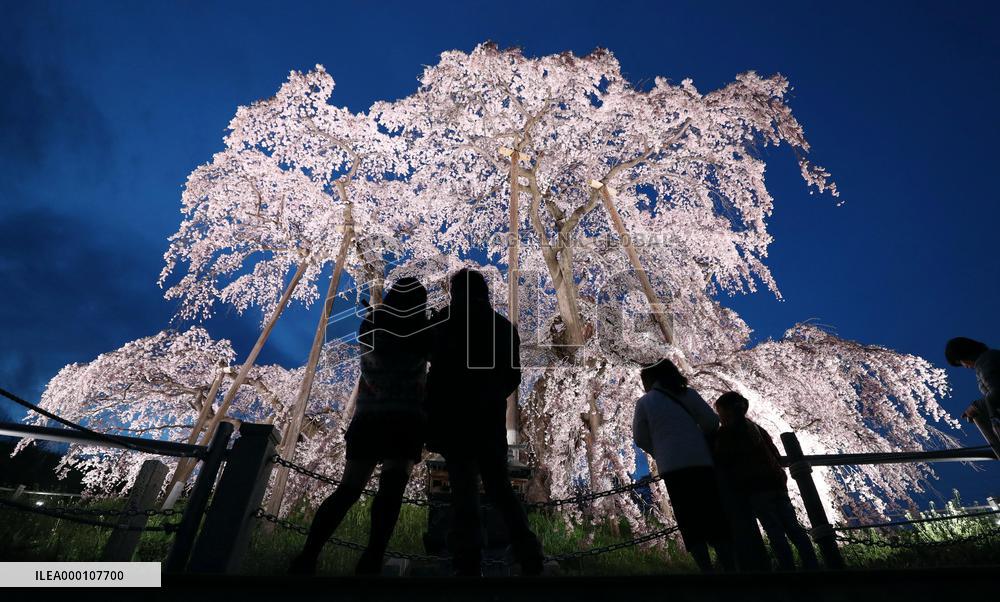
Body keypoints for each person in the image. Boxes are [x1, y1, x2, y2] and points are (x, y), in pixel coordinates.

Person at [290, 277, 431, 576]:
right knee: (391, 492)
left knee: (348, 489)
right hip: (405, 420)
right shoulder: (422, 331)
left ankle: (308, 555)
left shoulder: (373, 323)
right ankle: (372, 558)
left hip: (368, 417)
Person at [425, 268, 544, 577]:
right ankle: (527, 550)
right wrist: (491, 396)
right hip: (488, 419)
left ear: (456, 292)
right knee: (500, 487)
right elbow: (513, 375)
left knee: (463, 489)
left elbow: (429, 358)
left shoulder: (445, 323)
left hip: (453, 419)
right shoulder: (503, 327)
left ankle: (467, 558)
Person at [632, 358, 736, 573]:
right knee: (713, 515)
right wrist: (696, 439)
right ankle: (729, 567)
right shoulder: (688, 394)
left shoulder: (645, 402)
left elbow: (640, 437)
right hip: (701, 462)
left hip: (672, 467)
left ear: (650, 379)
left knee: (688, 519)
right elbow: (710, 422)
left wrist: (660, 450)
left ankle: (706, 569)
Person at [713, 392, 819, 571]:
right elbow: (775, 453)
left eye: (720, 412)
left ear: (726, 412)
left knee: (774, 529)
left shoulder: (726, 433)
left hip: (756, 487)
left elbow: (723, 459)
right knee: (793, 527)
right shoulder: (755, 427)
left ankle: (788, 567)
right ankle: (812, 565)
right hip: (776, 482)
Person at [945, 337, 1000, 457]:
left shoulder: (985, 362)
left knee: (977, 415)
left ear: (965, 355)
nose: (965, 366)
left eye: (961, 362)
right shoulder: (992, 357)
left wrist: (976, 407)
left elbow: (998, 392)